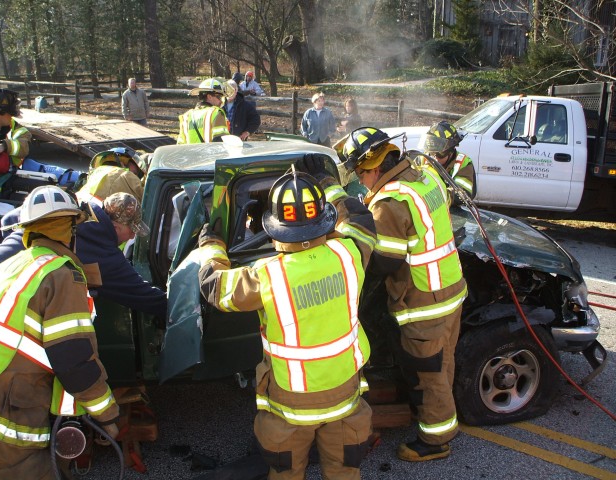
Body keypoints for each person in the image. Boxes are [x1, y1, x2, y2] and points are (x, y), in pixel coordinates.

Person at [197, 157, 377, 479]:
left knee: (285, 474)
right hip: (345, 398)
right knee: (345, 473)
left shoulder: (267, 276)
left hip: (291, 409)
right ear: (325, 220)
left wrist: (212, 244)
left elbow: (214, 288)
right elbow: (361, 221)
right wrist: (328, 183)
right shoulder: (350, 254)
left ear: (274, 228)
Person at [340, 127, 468, 462]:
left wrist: (351, 227)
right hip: (451, 289)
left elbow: (383, 261)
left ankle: (436, 441)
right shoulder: (424, 177)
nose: (361, 181)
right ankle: (438, 415)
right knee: (443, 363)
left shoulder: (389, 203)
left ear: (374, 168)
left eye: (360, 174)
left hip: (425, 303)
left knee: (428, 373)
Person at [0, 185, 119, 480]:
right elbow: (74, 360)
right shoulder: (61, 275)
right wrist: (108, 416)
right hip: (7, 412)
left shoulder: (10, 266)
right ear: (69, 232)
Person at [0, 192, 167, 320]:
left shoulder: (69, 211)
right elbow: (143, 296)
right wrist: (183, 307)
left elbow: (9, 219)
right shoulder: (103, 251)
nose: (133, 236)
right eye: (131, 230)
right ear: (116, 227)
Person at [420, 121, 476, 200]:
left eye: (439, 154)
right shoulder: (421, 159)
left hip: (451, 209)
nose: (434, 158)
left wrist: (435, 197)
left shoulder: (463, 163)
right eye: (431, 152)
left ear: (451, 151)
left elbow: (463, 193)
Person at [76, 147, 148, 204]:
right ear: (122, 162)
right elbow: (148, 198)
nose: (136, 175)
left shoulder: (95, 173)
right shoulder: (124, 174)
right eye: (135, 173)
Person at [177, 78, 231, 144]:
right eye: (219, 97)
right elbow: (221, 142)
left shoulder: (186, 116)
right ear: (209, 96)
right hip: (210, 154)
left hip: (190, 154)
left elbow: (180, 145)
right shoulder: (216, 113)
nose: (221, 101)